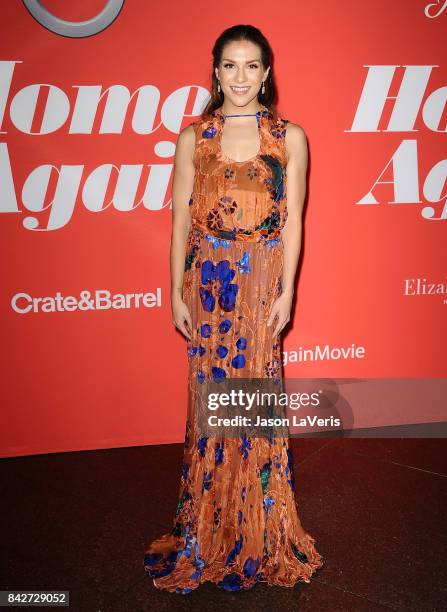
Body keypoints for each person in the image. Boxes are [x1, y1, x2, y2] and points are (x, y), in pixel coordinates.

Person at [143, 24, 324, 594]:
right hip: (211, 287)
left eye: (251, 66)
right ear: (215, 72)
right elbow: (178, 222)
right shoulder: (194, 136)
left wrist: (287, 291)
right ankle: (211, 527)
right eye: (229, 66)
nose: (240, 77)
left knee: (253, 406)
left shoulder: (289, 136)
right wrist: (175, 290)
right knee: (211, 409)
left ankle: (260, 527)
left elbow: (294, 221)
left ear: (267, 72)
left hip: (262, 285)